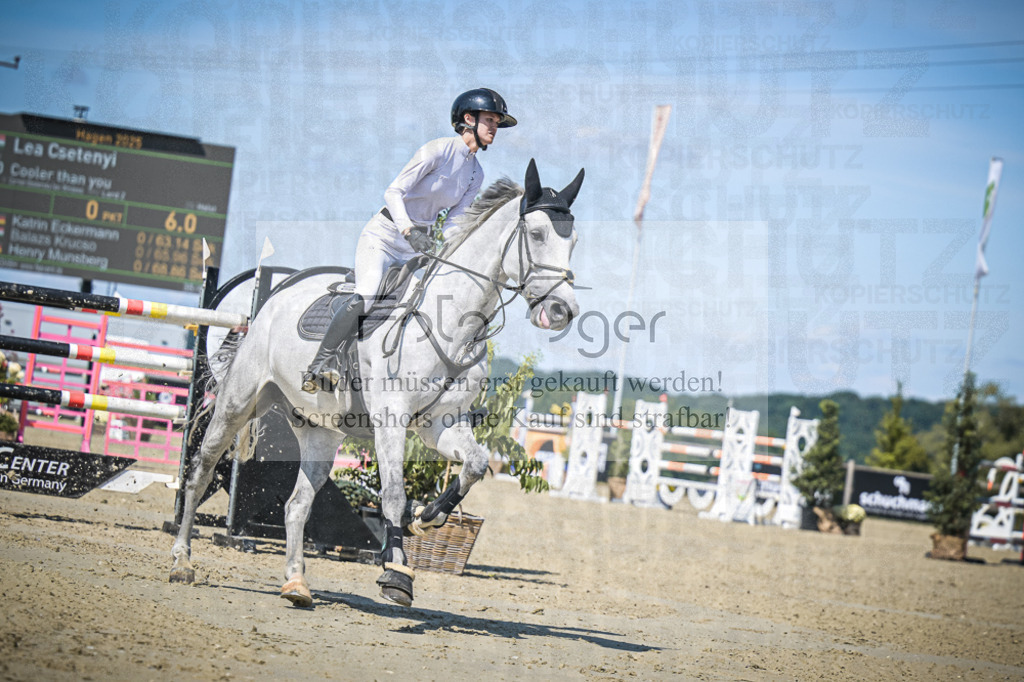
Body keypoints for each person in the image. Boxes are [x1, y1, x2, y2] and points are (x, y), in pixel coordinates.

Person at [302, 88, 517, 393]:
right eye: (489, 119)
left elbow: (455, 222)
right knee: (368, 292)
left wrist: (451, 250)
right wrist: (408, 230)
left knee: (433, 302)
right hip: (385, 236)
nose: (494, 126)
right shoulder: (436, 151)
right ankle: (320, 364)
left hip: (418, 247)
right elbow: (393, 192)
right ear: (468, 119)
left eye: (497, 121)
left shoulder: (476, 174)